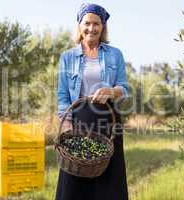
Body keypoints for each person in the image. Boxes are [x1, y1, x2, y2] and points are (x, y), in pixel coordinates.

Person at [55, 3, 129, 200]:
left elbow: (125, 89)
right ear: (79, 25)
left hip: (109, 121)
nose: (91, 28)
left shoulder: (115, 54)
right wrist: (67, 124)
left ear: (102, 27)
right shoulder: (68, 57)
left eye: (96, 23)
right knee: (74, 180)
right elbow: (63, 96)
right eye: (87, 23)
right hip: (80, 121)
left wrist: (111, 91)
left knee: (109, 181)